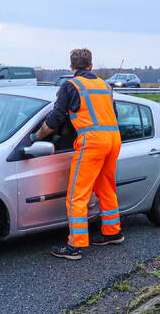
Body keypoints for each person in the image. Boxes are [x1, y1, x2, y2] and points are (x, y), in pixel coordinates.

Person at [34, 48, 123, 260]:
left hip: (91, 141)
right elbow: (113, 114)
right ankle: (113, 232)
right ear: (91, 66)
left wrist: (37, 137)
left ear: (72, 67)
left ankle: (75, 244)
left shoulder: (71, 85)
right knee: (106, 187)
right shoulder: (105, 85)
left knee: (77, 194)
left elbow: (55, 118)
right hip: (114, 139)